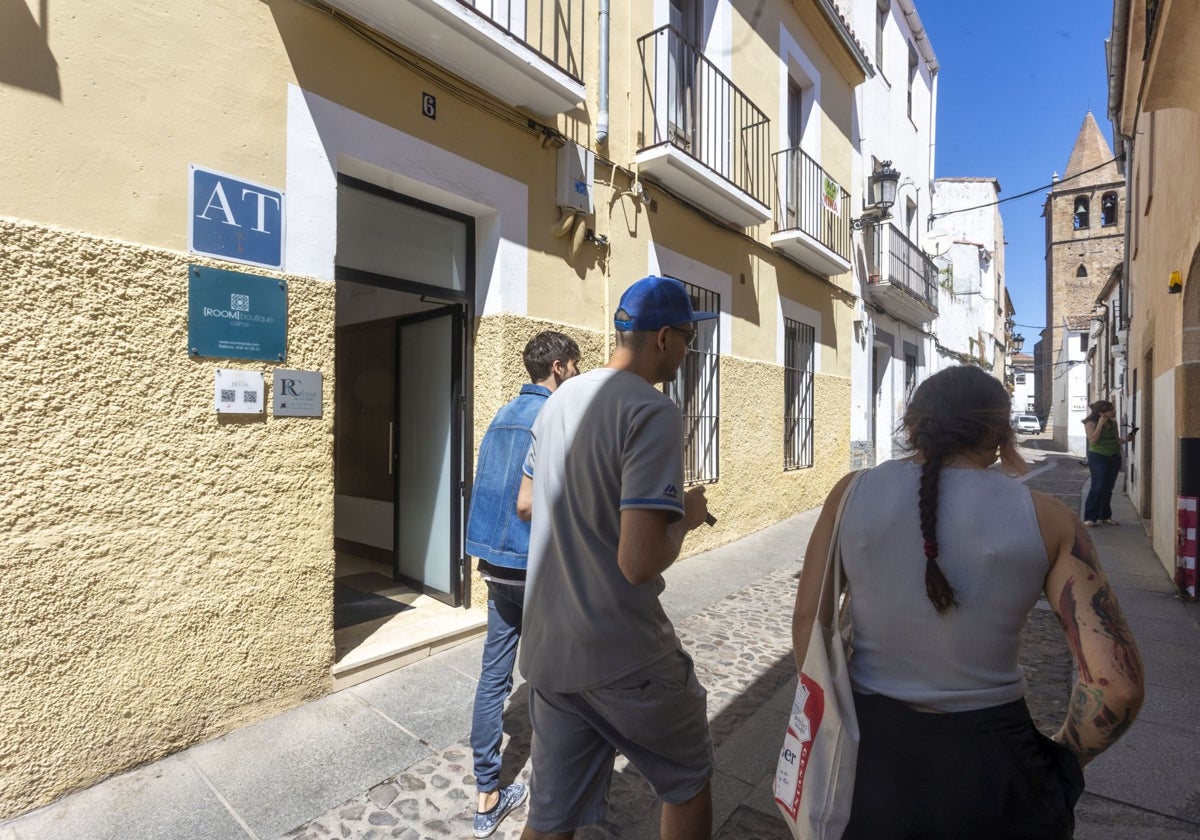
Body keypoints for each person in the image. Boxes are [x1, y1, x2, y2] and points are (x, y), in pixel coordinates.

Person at [792, 365, 1144, 839]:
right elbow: (1117, 689)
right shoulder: (1051, 519)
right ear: (1000, 434)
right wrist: (1059, 759)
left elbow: (808, 624)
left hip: (866, 758)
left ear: (913, 424)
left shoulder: (850, 494)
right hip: (995, 765)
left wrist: (832, 726)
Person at [515, 275, 715, 839]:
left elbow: (527, 503)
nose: (688, 352)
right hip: (623, 656)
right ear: (664, 339)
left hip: (550, 653)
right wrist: (687, 518)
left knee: (550, 820)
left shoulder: (556, 404)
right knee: (689, 779)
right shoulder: (653, 413)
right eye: (688, 340)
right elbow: (638, 561)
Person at [464, 331, 581, 838]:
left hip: (496, 564)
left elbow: (486, 486)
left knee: (495, 675)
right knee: (557, 674)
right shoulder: (555, 416)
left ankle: (487, 793)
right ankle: (562, 796)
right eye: (574, 366)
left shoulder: (502, 414)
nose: (576, 374)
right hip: (538, 567)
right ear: (558, 366)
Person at [1082, 400, 1136, 527]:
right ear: (1101, 413)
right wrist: (1100, 424)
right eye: (1111, 410)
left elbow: (1116, 440)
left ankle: (1105, 516)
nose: (1115, 412)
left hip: (1114, 456)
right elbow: (1093, 440)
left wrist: (1126, 440)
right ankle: (1090, 517)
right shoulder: (1090, 423)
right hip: (1098, 456)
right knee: (1097, 486)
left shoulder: (1113, 423)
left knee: (1108, 488)